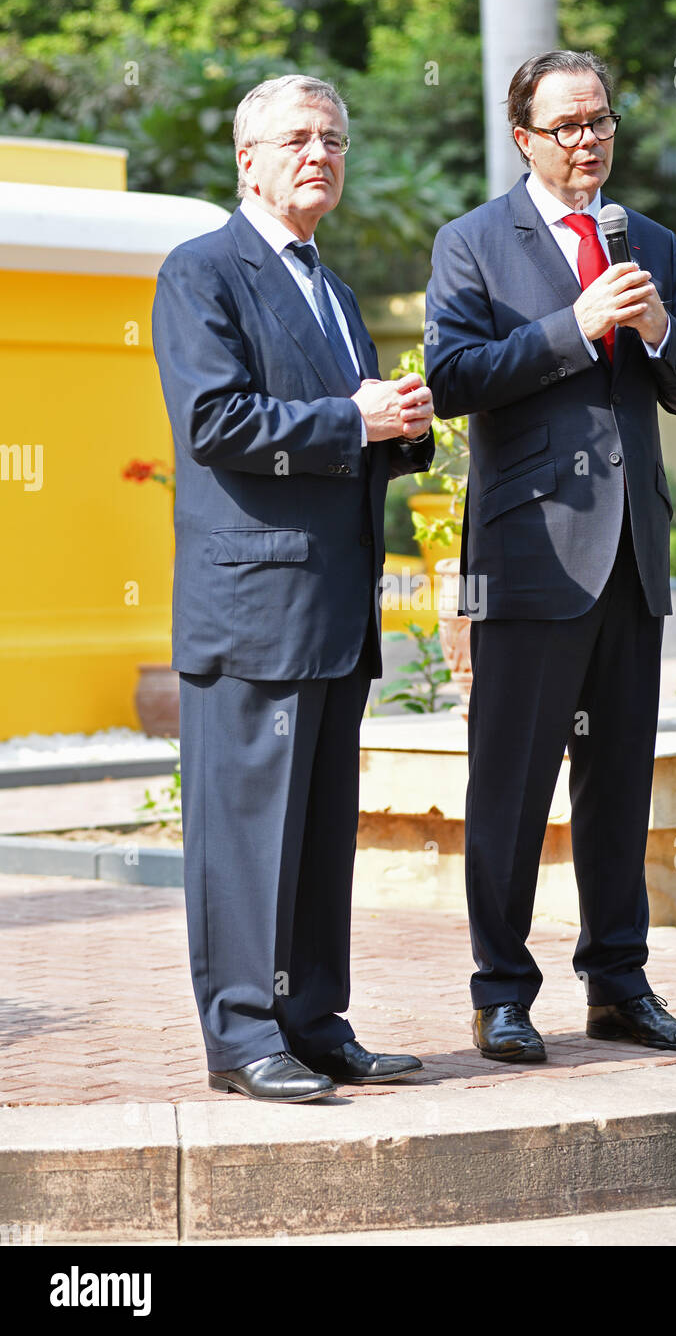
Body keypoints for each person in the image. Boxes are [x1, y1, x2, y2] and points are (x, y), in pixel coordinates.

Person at [425, 50, 676, 1063]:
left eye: (599, 120)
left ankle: (617, 983)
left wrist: (653, 330)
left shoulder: (647, 242)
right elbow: (454, 377)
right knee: (508, 786)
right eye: (565, 126)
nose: (587, 139)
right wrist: (571, 326)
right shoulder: (472, 243)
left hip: (631, 553)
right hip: (529, 555)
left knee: (617, 784)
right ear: (523, 139)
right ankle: (500, 992)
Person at [152, 74, 435, 1101]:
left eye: (334, 139)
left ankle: (313, 1019)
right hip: (251, 609)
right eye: (298, 139)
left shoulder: (338, 292)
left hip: (334, 608)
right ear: (249, 159)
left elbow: (345, 431)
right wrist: (353, 421)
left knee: (318, 830)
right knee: (242, 836)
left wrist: (400, 426)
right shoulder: (201, 273)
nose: (320, 154)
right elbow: (216, 424)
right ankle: (240, 1036)